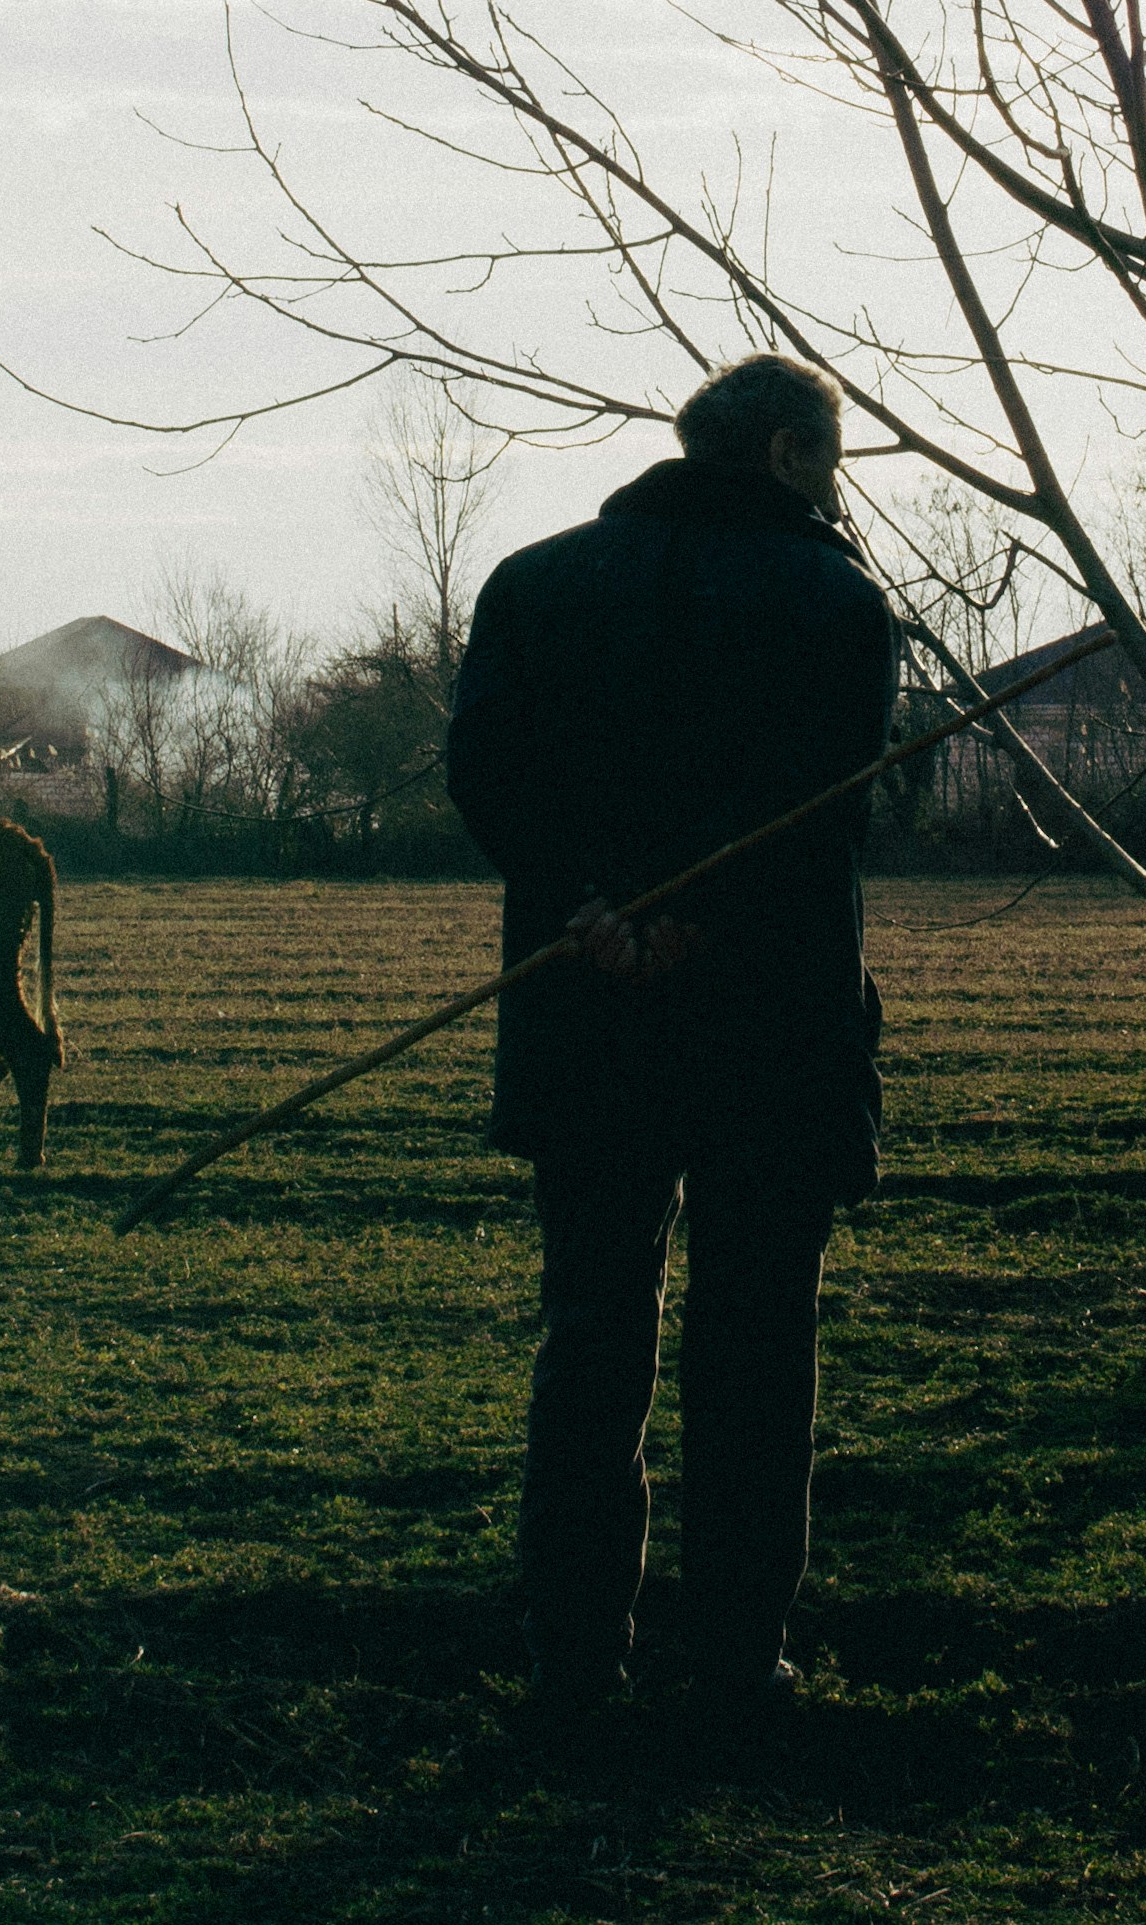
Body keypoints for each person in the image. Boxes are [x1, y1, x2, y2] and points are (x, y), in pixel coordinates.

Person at [445, 351, 899, 1715]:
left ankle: (575, 1650)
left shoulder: (534, 585)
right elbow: (827, 817)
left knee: (592, 1332)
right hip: (769, 1028)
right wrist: (704, 920)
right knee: (757, 1340)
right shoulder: (835, 600)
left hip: (586, 1020)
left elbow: (489, 780)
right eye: (835, 455)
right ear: (782, 456)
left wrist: (595, 912)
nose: (842, 485)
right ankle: (735, 1656)